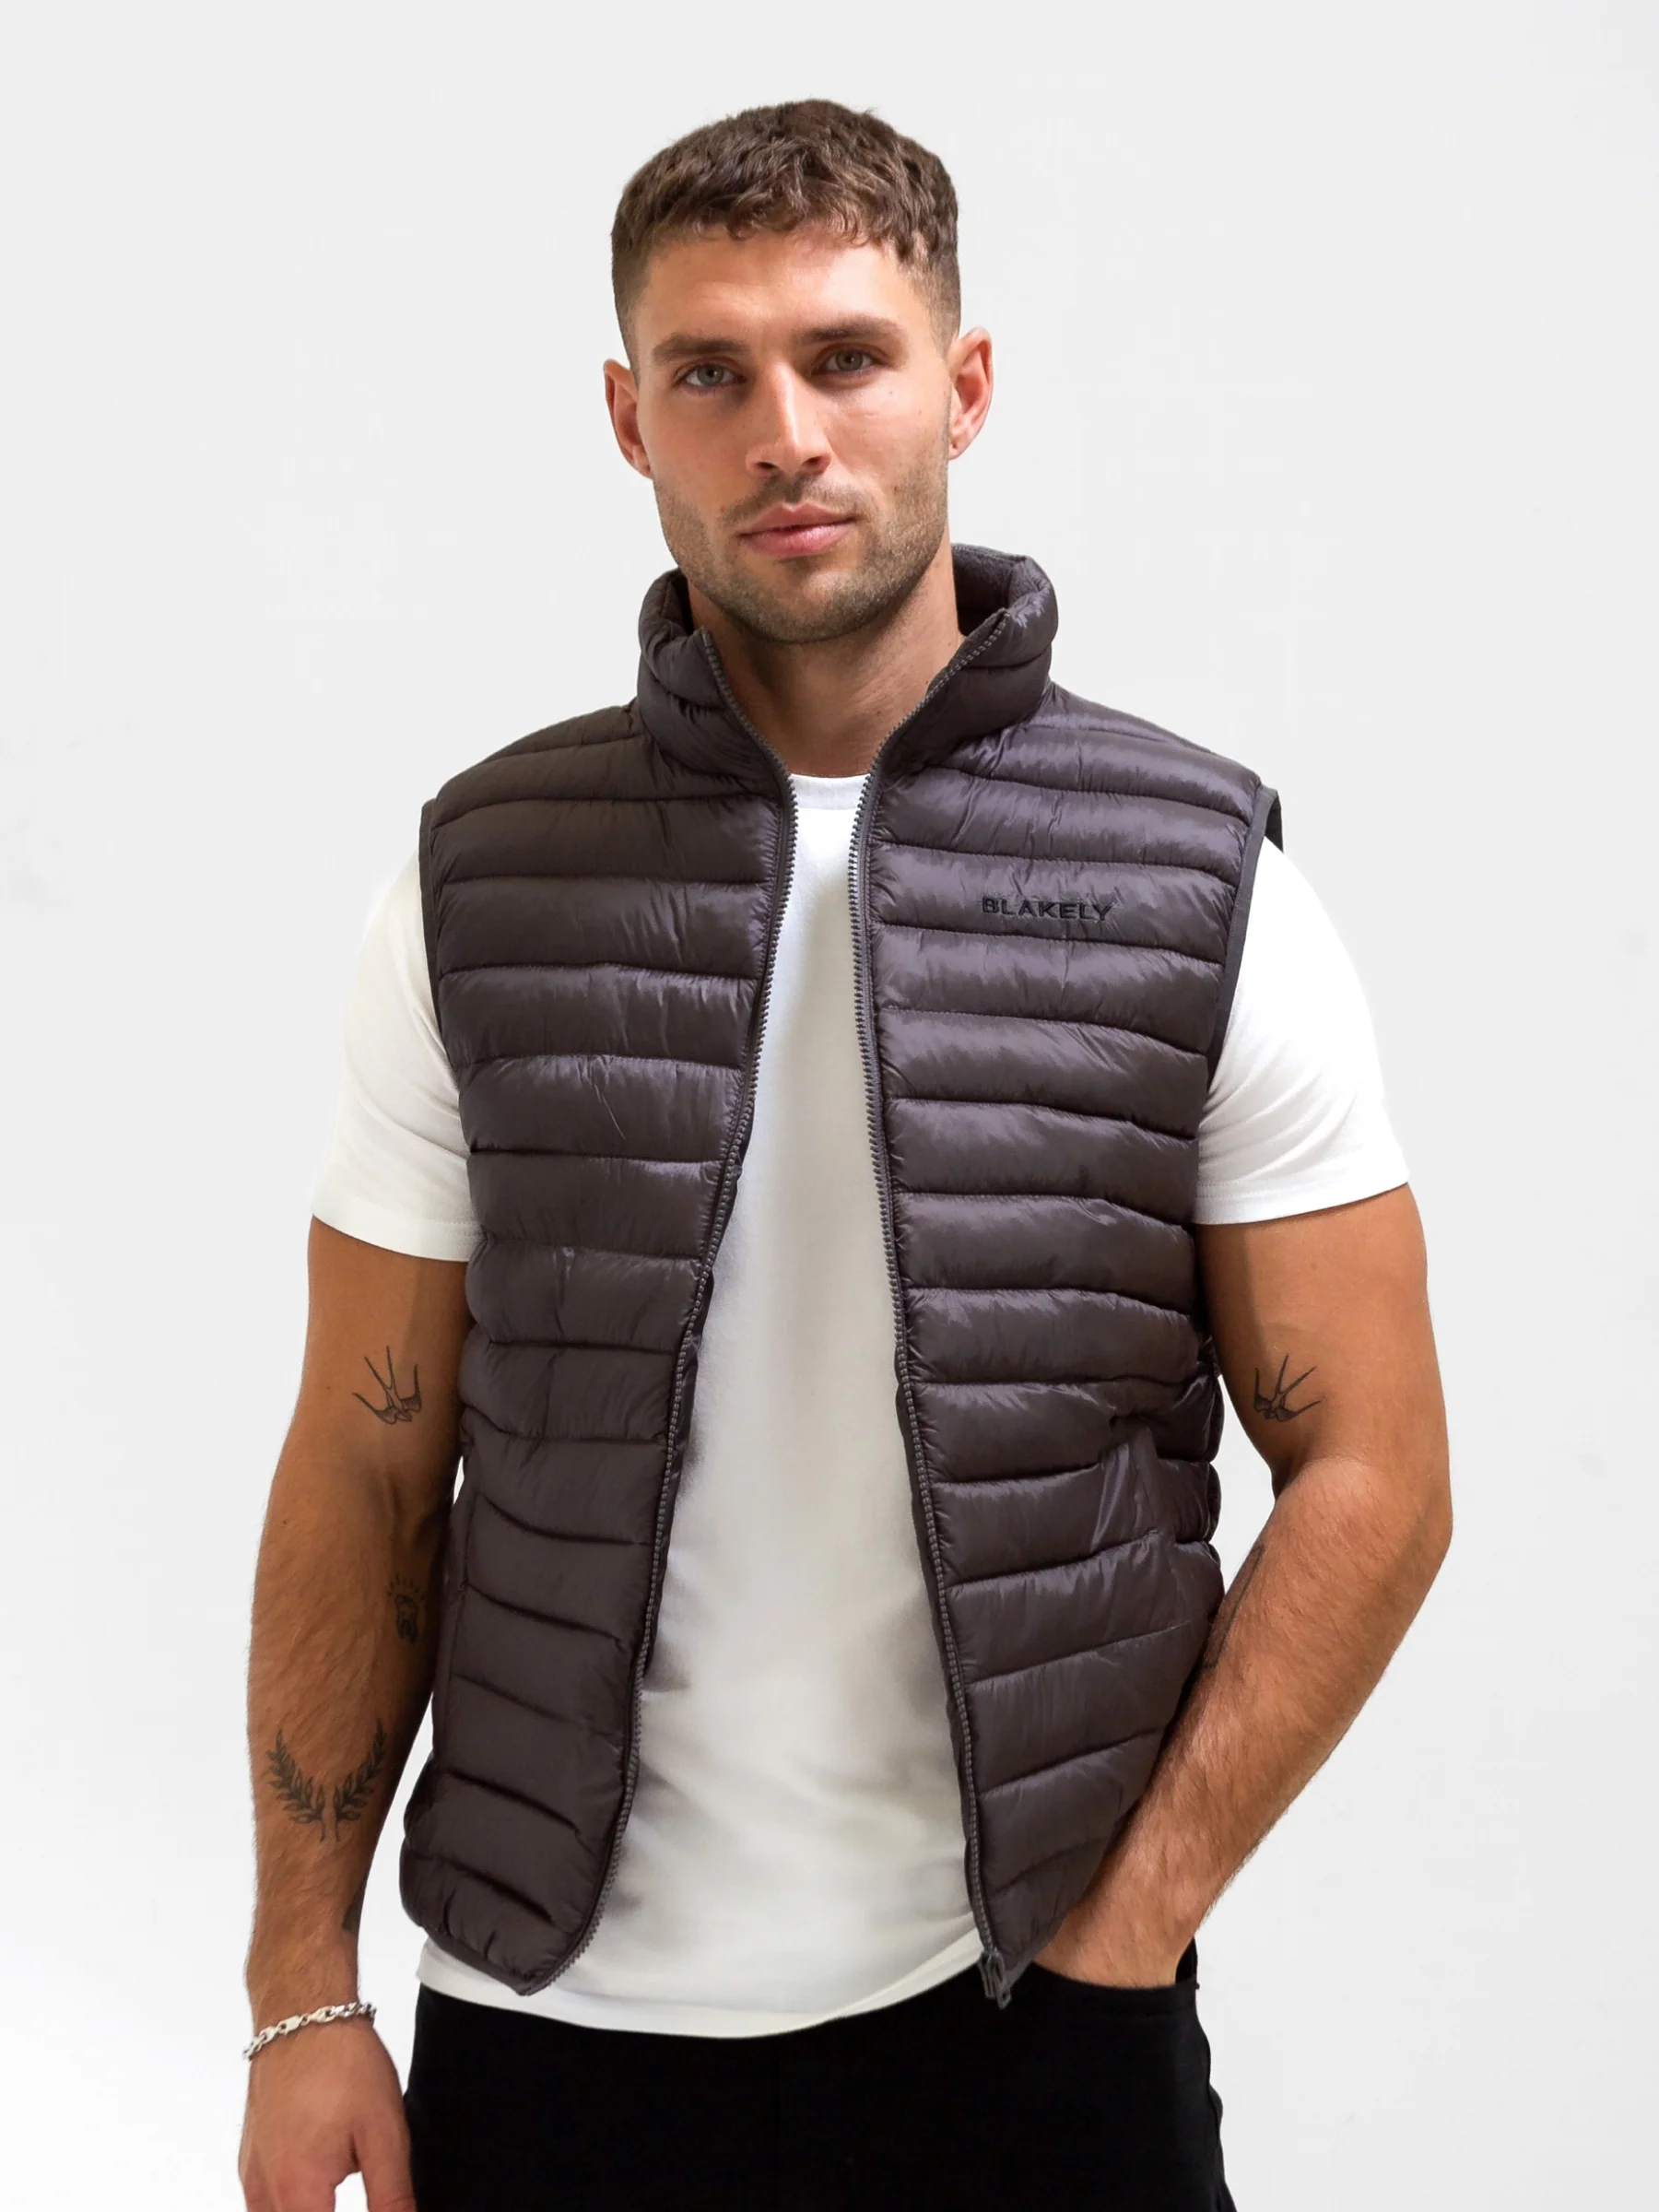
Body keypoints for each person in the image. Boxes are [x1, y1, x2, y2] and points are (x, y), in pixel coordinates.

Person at [239, 97, 1452, 2212]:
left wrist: (1130, 1934)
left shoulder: (1198, 881)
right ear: (629, 417)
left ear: (961, 387)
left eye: (846, 358)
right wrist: (298, 1990)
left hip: (1030, 2021)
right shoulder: (479, 882)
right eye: (711, 373)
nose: (784, 432)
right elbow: (365, 1457)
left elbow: (1378, 1466)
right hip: (549, 2029)